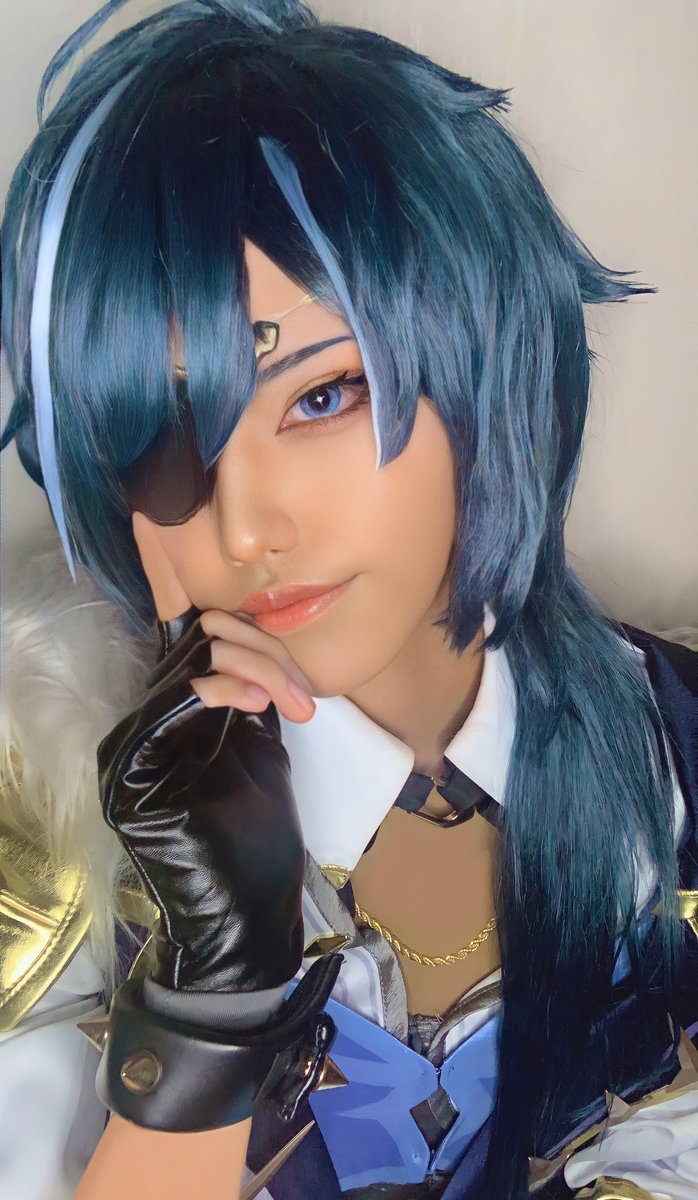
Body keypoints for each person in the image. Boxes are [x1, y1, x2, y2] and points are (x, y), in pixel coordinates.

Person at [0, 2, 696, 1198]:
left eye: (319, 397)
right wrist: (206, 1001)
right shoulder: (45, 842)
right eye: (161, 444)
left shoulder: (674, 747)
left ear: (488, 368)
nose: (244, 527)